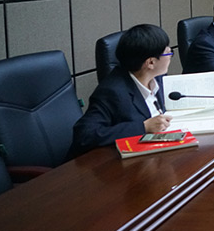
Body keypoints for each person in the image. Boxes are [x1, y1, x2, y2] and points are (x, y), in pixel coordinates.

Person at [70, 24, 173, 156]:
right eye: (168, 53)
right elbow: (84, 135)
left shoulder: (156, 77)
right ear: (151, 63)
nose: (170, 56)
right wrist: (143, 127)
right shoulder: (112, 92)